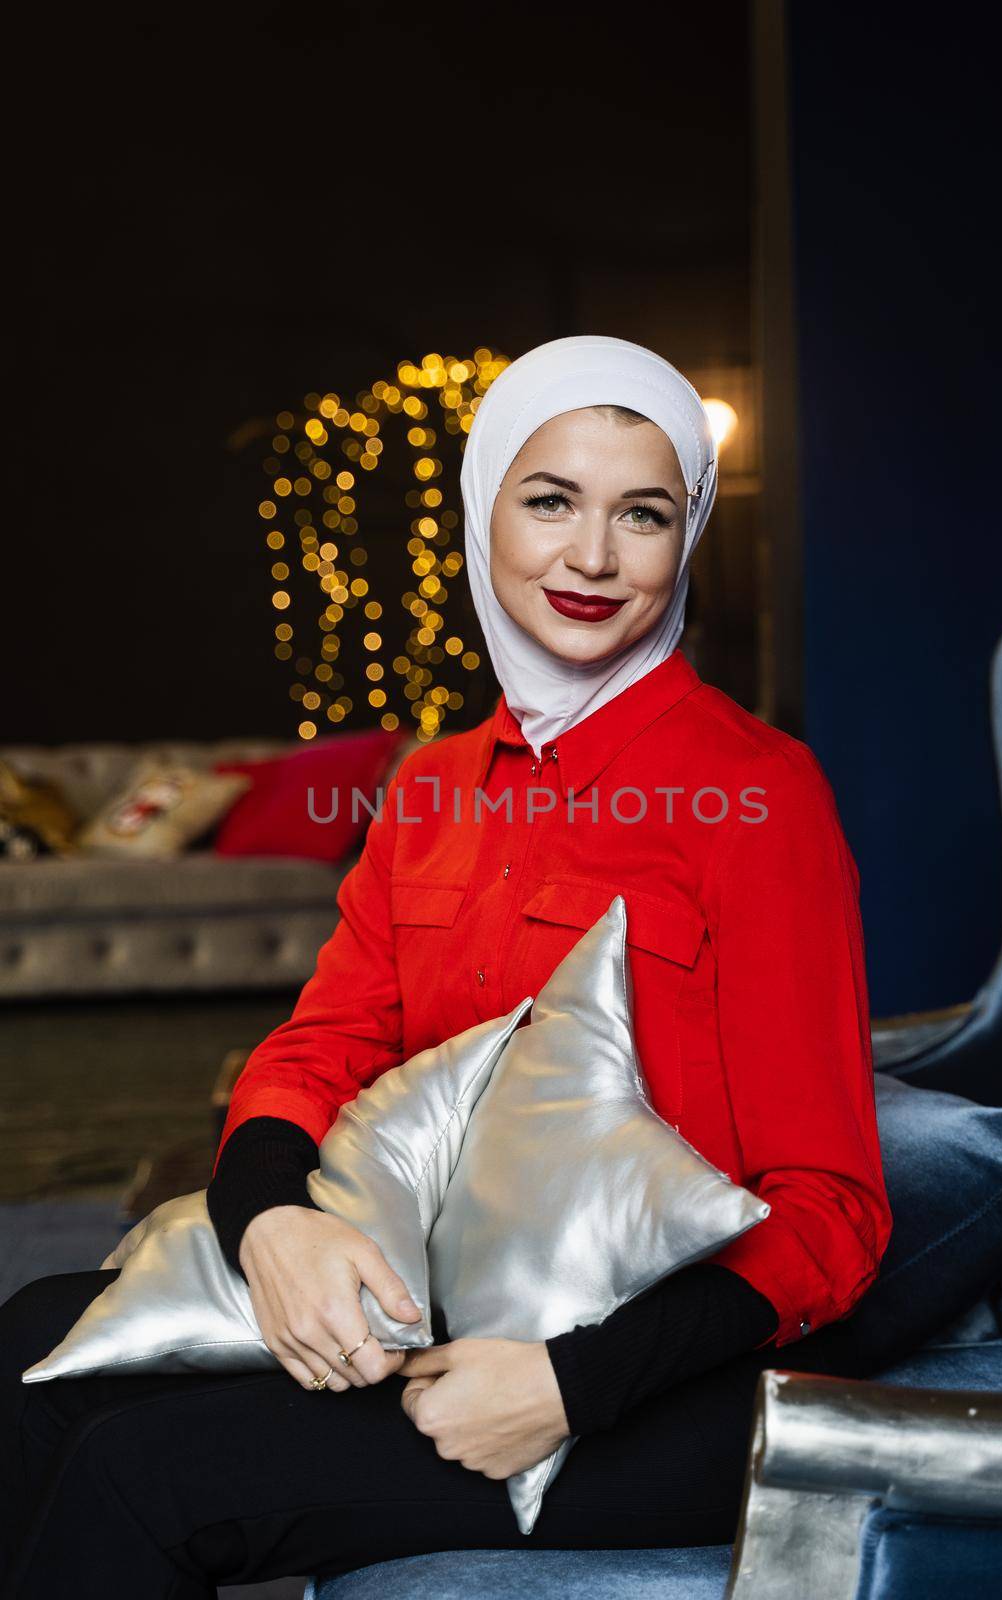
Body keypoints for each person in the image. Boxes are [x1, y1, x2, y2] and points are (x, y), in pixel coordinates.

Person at [0, 335, 892, 1598]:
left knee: (143, 1473)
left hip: (658, 1375)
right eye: (550, 501)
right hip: (446, 1287)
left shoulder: (756, 793)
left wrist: (562, 1384)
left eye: (641, 513)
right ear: (485, 514)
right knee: (33, 1342)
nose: (591, 557)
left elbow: (833, 1209)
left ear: (683, 538)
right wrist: (270, 1222)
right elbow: (327, 1042)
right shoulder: (428, 786)